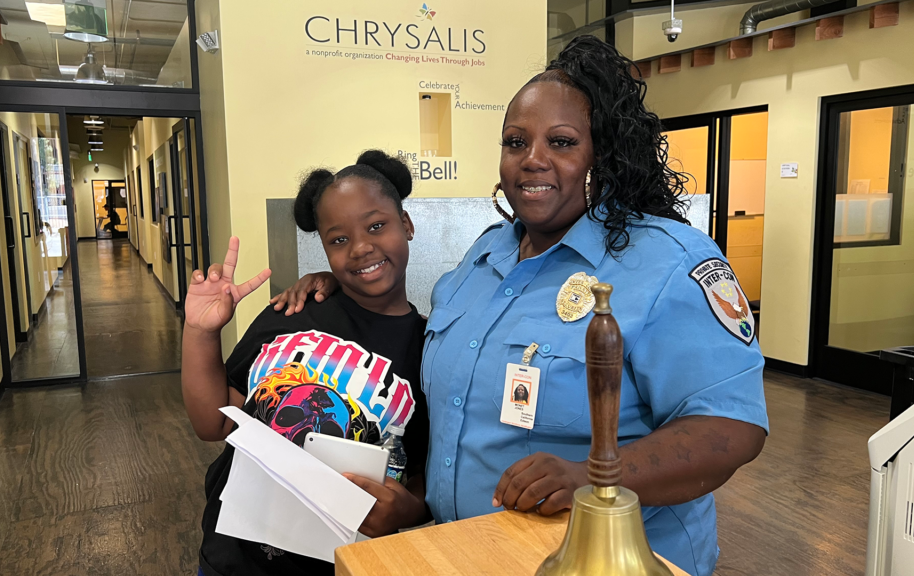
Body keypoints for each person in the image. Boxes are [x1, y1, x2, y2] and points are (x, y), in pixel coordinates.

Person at [274, 36, 767, 576]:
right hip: (463, 553)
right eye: (515, 142)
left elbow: (730, 429)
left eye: (561, 142)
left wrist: (593, 475)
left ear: (601, 153)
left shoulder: (669, 262)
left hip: (608, 563)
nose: (533, 159)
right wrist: (334, 281)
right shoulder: (482, 258)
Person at [182, 151, 430, 576]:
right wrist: (201, 332)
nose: (361, 248)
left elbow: (423, 472)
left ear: (406, 224)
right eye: (338, 239)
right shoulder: (292, 313)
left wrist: (411, 512)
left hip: (343, 563)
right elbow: (214, 423)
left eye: (376, 226)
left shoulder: (430, 348)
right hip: (234, 559)